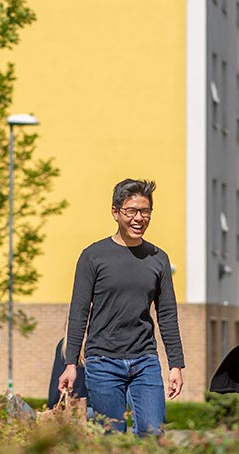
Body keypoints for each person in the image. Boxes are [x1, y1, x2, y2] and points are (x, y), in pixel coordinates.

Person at [58, 179, 184, 436]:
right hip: (103, 361)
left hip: (144, 360)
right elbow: (79, 311)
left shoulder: (158, 259)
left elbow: (167, 315)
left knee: (152, 434)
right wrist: (71, 362)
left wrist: (176, 364)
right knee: (112, 437)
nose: (139, 218)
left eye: (145, 211)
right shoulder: (93, 256)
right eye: (131, 211)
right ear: (115, 212)